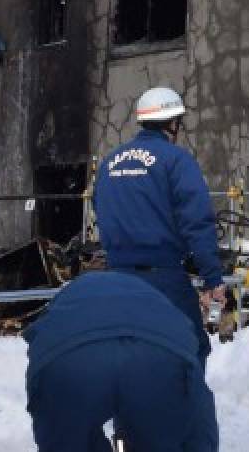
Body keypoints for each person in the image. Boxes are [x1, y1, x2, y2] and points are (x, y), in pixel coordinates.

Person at [92, 86, 225, 368]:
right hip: (163, 278)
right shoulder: (176, 161)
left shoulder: (109, 164)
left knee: (128, 354)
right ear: (173, 123)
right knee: (189, 350)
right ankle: (180, 411)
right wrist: (212, 278)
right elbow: (197, 223)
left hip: (117, 278)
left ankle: (131, 411)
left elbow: (101, 213)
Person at [24, 271, 219, 452]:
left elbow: (50, 414)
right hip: (159, 357)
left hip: (65, 360)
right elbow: (199, 420)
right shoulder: (161, 309)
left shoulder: (61, 310)